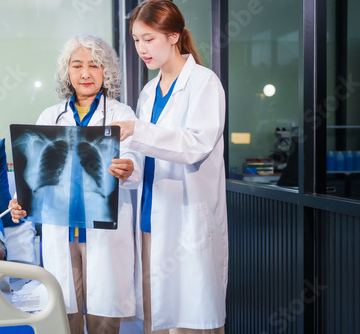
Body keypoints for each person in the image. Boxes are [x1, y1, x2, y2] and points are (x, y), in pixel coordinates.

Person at [9, 33, 141, 334]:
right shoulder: (50, 116)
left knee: (104, 317)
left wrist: (128, 168)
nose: (85, 73)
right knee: (62, 311)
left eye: (94, 65)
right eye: (77, 65)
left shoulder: (122, 114)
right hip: (61, 228)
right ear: (66, 71)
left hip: (104, 230)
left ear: (105, 71)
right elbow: (35, 172)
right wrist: (20, 201)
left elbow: (136, 166)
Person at [110, 1, 228, 333]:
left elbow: (196, 145)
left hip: (186, 220)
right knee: (157, 318)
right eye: (136, 40)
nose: (141, 49)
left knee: (191, 317)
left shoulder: (204, 83)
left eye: (149, 39)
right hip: (150, 221)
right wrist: (127, 169)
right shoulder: (148, 92)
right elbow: (144, 157)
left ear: (174, 36)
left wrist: (136, 129)